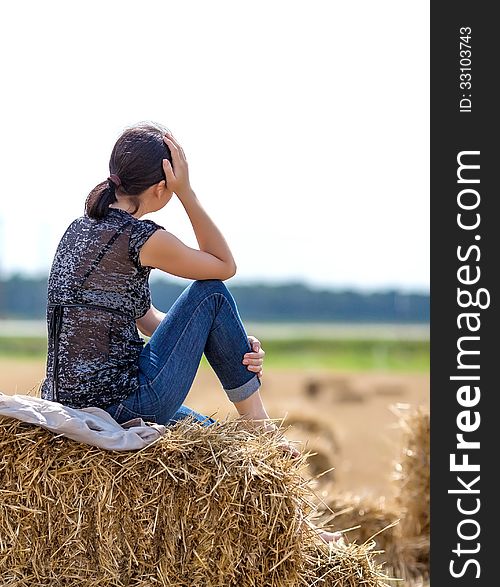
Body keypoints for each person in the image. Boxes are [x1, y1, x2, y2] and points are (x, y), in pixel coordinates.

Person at [40, 121, 342, 544]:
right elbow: (222, 266)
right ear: (163, 186)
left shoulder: (79, 230)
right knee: (212, 294)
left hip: (67, 399)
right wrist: (188, 194)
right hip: (122, 403)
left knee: (218, 448)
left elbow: (152, 322)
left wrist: (228, 341)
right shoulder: (140, 237)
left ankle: (301, 533)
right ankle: (261, 427)